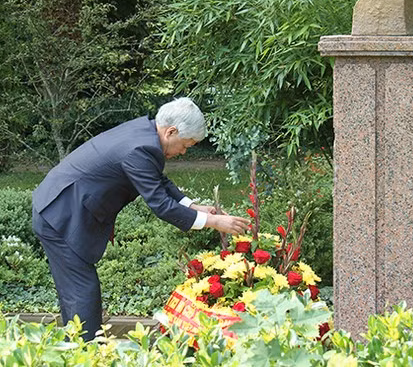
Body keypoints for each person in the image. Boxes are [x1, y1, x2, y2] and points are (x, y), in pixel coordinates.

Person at [31, 97, 250, 340]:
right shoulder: (140, 149)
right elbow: (161, 205)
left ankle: (76, 346)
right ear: (171, 131)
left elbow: (158, 180)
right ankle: (87, 351)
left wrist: (193, 206)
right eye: (186, 145)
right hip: (61, 214)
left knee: (76, 290)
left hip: (65, 207)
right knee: (82, 290)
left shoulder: (145, 134)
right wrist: (214, 222)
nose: (184, 151)